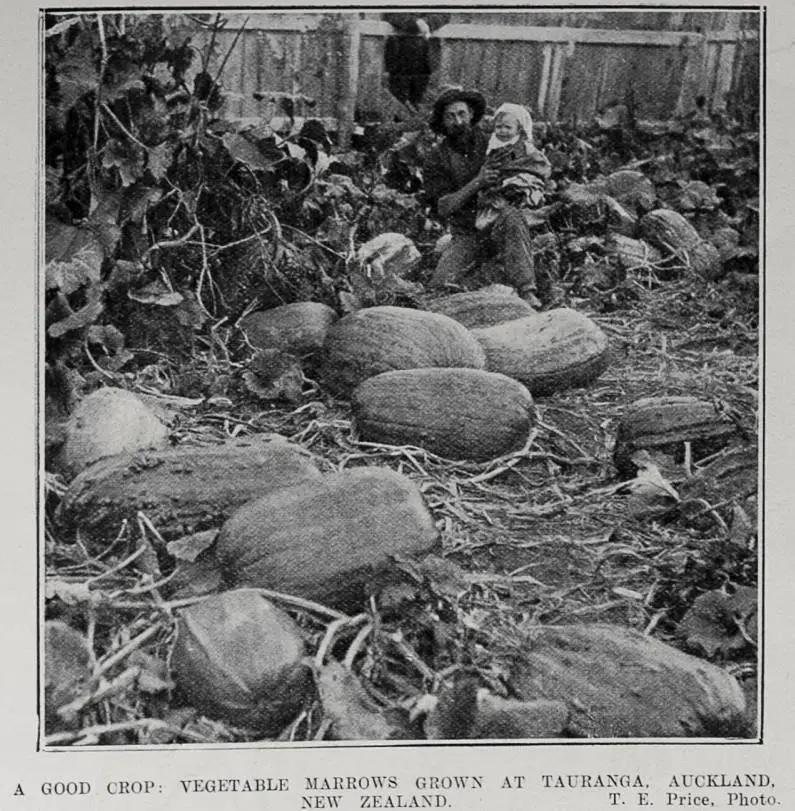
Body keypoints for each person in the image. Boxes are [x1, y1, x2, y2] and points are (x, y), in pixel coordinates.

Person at [422, 88, 549, 307]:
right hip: (467, 233)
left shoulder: (494, 142)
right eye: (450, 117)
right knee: (439, 287)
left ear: (471, 114)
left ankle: (526, 289)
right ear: (442, 122)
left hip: (499, 225)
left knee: (511, 216)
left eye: (462, 114)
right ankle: (489, 275)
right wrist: (478, 182)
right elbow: (443, 207)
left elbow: (528, 159)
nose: (458, 121)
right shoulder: (436, 158)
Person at [474, 103, 551, 233]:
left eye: (508, 127)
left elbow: (539, 165)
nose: (502, 131)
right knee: (486, 220)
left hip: (521, 186)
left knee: (526, 202)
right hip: (497, 188)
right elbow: (486, 164)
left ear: (518, 129)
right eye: (499, 127)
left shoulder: (525, 147)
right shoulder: (492, 146)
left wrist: (522, 176)